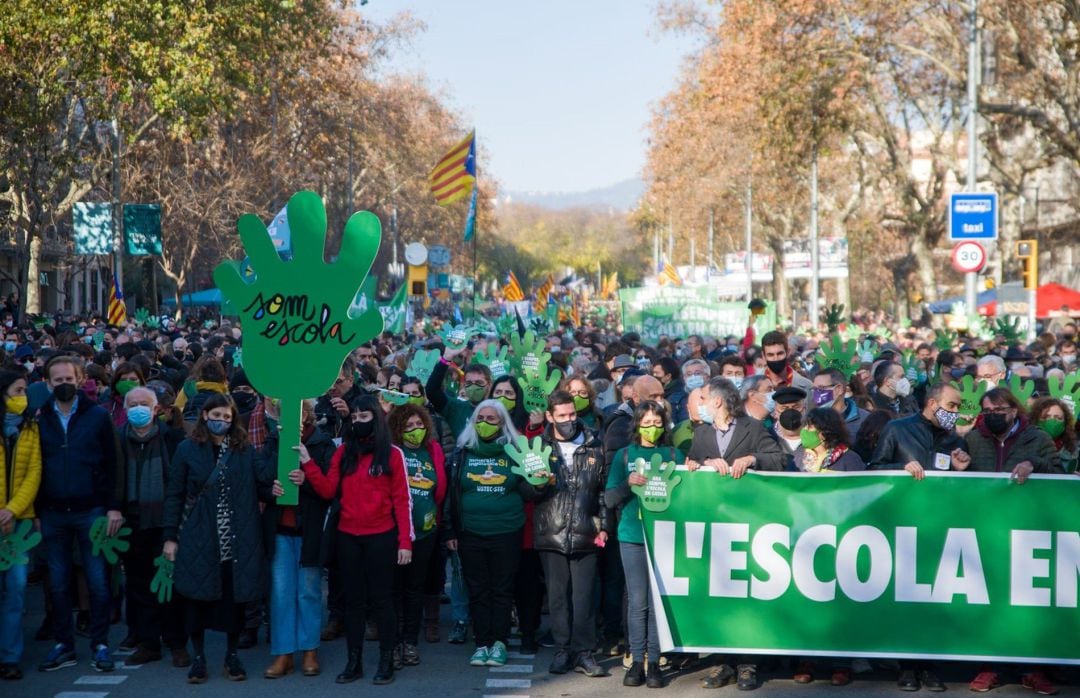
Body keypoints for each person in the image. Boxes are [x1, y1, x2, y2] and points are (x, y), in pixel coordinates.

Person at [162, 393, 280, 684]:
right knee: (196, 597)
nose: (222, 421)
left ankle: (231, 655)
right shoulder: (186, 449)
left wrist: (278, 439)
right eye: (216, 416)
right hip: (198, 533)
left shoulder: (244, 449)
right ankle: (199, 657)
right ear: (205, 416)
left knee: (233, 597)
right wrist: (169, 537)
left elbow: (263, 477)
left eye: (227, 417)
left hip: (237, 536)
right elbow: (175, 495)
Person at [302, 394, 412, 685]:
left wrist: (405, 542)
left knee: (382, 601)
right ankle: (355, 662)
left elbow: (402, 501)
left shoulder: (392, 454)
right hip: (348, 537)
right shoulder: (343, 452)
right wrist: (307, 464)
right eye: (354, 418)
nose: (358, 422)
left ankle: (386, 660)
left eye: (364, 417)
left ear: (376, 418)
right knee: (353, 603)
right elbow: (328, 491)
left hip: (382, 537)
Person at [687, 377, 784, 691]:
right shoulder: (701, 434)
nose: (699, 402)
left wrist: (752, 458)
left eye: (703, 397)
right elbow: (688, 464)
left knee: (746, 596)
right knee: (719, 595)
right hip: (714, 526)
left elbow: (780, 460)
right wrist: (700, 463)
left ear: (716, 401)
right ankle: (722, 662)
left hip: (749, 524)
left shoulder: (753, 429)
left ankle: (747, 664)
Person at [36, 356, 121, 674]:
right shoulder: (40, 417)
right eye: (56, 380)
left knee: (98, 581)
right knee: (58, 583)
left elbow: (113, 464)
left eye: (68, 378)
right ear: (47, 383)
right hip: (53, 511)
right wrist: (35, 510)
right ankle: (64, 644)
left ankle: (99, 643)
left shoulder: (98, 416)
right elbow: (35, 466)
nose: (63, 384)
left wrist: (114, 506)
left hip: (92, 509)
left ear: (80, 378)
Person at [445, 400, 539, 669]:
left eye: (492, 419)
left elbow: (528, 491)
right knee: (477, 589)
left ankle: (499, 642)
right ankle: (482, 643)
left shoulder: (515, 451)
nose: (485, 423)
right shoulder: (462, 452)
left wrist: (541, 482)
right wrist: (450, 529)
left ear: (502, 423)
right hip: (470, 532)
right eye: (481, 418)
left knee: (501, 589)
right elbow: (452, 494)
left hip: (507, 531)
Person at [604, 400, 683, 689]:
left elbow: (689, 495)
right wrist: (628, 483)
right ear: (637, 425)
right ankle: (637, 661)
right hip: (632, 536)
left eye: (657, 423)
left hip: (664, 538)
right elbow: (610, 498)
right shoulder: (624, 456)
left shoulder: (675, 454)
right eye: (646, 423)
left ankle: (655, 661)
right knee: (638, 602)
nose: (652, 428)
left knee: (656, 601)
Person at [532, 390, 611, 678]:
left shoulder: (594, 443)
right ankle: (562, 650)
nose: (568, 420)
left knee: (584, 596)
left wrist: (603, 525)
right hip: (551, 531)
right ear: (550, 417)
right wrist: (539, 484)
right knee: (558, 597)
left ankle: (584, 652)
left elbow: (602, 490)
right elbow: (527, 491)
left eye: (572, 414)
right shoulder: (538, 446)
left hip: (585, 531)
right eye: (562, 416)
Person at [259, 398, 336, 679]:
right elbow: (261, 479)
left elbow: (330, 489)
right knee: (281, 594)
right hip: (280, 529)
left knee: (309, 591)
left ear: (308, 413)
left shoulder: (321, 443)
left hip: (310, 529)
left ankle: (310, 650)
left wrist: (307, 478)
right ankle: (283, 653)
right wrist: (272, 489)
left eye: (300, 409)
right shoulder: (272, 440)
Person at [115, 386, 187, 667]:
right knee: (138, 583)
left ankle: (176, 641)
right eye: (132, 404)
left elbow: (180, 483)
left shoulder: (173, 439)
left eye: (144, 403)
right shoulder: (119, 439)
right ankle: (148, 642)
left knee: (170, 584)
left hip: (165, 520)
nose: (138, 408)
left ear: (157, 408)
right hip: (131, 520)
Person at [388, 402, 447, 667]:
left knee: (415, 588)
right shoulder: (392, 452)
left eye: (419, 424)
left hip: (425, 531)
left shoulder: (432, 450)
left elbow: (440, 488)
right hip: (394, 532)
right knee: (394, 589)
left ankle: (410, 642)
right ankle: (394, 642)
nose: (415, 429)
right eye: (409, 425)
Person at [0, 370, 41, 680]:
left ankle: (10, 656)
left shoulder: (31, 427)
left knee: (15, 590)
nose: (22, 396)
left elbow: (34, 473)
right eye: (17, 390)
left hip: (21, 523)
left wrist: (12, 510)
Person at [963, 388, 1061, 478]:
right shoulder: (972, 439)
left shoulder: (1038, 438)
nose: (993, 414)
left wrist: (1034, 464)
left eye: (999, 409)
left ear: (1014, 412)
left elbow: (1060, 475)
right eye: (987, 410)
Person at [792, 407, 867, 474]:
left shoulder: (850, 460)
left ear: (824, 432)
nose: (804, 431)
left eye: (810, 427)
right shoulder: (799, 455)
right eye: (804, 426)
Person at [811, 368, 869, 439]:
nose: (816, 393)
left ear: (839, 389)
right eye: (814, 389)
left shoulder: (865, 420)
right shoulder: (810, 419)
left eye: (821, 388)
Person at [1029, 396, 1078, 473]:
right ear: (1035, 419)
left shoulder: (1075, 449)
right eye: (1046, 417)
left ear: (1065, 422)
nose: (1052, 422)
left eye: (1058, 418)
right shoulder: (1023, 445)